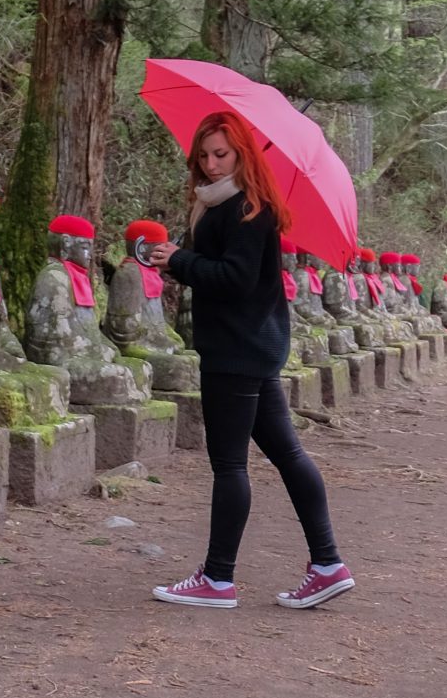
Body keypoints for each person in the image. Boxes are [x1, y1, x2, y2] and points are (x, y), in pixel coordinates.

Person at [150, 111, 354, 612]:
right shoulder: (219, 205)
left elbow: (236, 279)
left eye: (222, 154)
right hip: (251, 346)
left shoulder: (247, 208)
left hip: (238, 351)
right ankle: (328, 564)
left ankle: (219, 578)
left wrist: (180, 261)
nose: (212, 163)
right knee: (287, 455)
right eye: (204, 155)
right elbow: (220, 274)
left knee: (229, 465)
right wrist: (179, 262)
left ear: (242, 153)